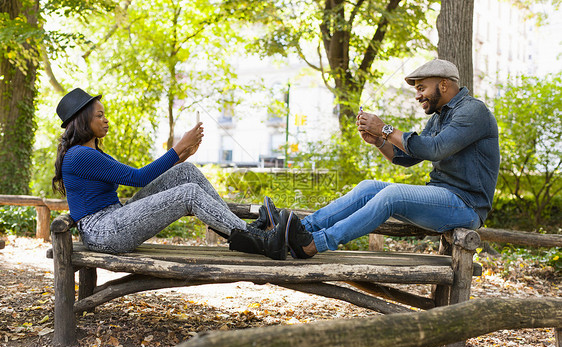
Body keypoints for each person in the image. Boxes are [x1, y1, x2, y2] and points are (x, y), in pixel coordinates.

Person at [279, 59, 500, 258]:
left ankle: (313, 244)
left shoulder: (473, 111)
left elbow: (434, 149)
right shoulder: (440, 116)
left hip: (466, 206)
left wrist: (384, 128)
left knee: (393, 195)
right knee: (368, 188)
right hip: (443, 198)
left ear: (443, 85)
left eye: (421, 88)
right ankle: (300, 228)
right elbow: (407, 157)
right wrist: (378, 141)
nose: (417, 96)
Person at [52, 88, 288, 260]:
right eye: (99, 116)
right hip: (103, 232)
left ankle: (248, 234)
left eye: (104, 114)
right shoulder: (80, 155)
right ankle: (258, 240)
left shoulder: (93, 153)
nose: (106, 120)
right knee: (189, 194)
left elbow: (143, 177)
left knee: (184, 172)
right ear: (83, 121)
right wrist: (178, 146)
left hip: (114, 219)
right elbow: (138, 178)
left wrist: (182, 155)